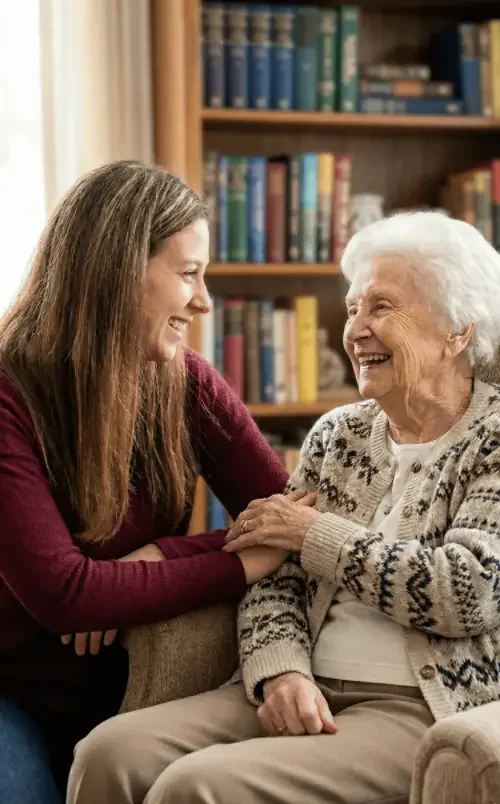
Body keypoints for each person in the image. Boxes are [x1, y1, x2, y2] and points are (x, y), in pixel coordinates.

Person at [68, 210, 500, 804]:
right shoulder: (339, 435)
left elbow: (469, 591)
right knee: (109, 753)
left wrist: (314, 533)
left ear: (457, 330)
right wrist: (280, 669)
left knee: (196, 788)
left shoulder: (492, 438)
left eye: (381, 307)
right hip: (305, 681)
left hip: (418, 703)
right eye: (352, 309)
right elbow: (275, 574)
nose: (356, 330)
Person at [0, 160, 293, 804]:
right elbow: (66, 595)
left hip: (143, 693)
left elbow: (288, 516)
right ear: (118, 269)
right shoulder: (8, 396)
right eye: (188, 274)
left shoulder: (187, 382)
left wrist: (165, 552)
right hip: (13, 695)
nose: (204, 301)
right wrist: (237, 560)